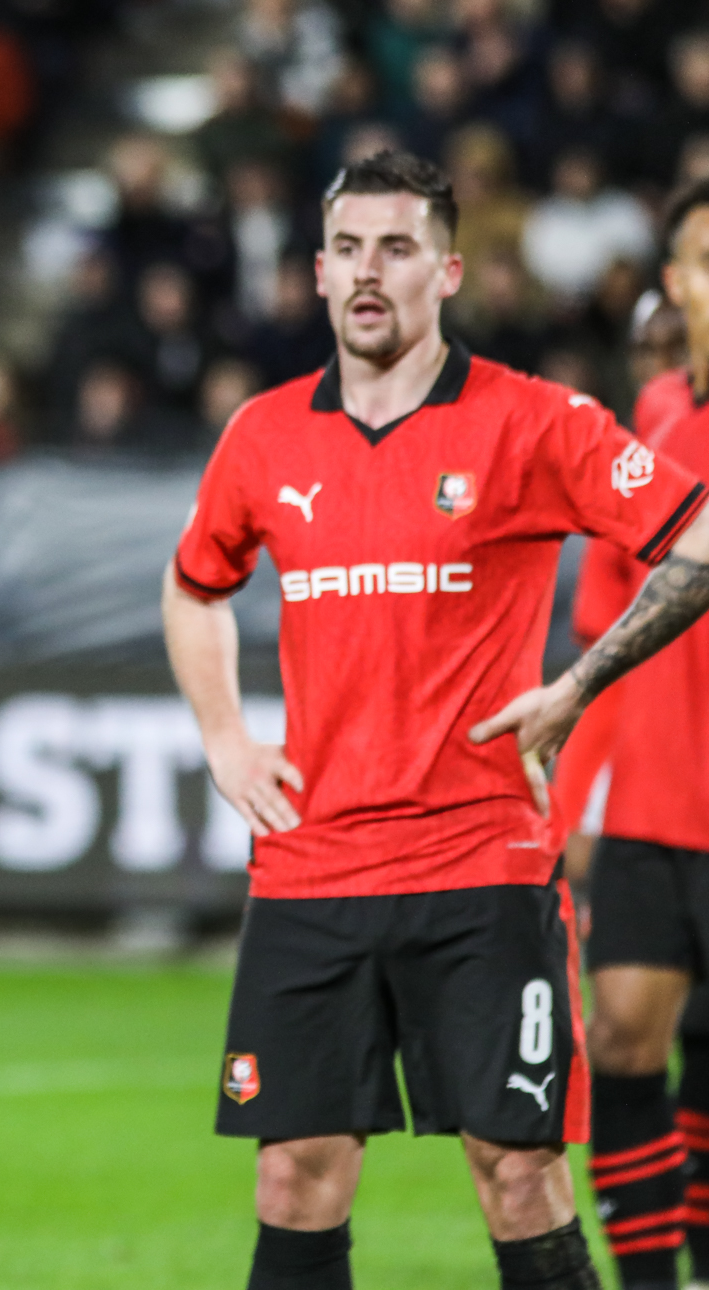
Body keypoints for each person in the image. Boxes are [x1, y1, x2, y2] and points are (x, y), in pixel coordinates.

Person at [163, 149, 709, 1290]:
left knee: (517, 1175)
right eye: (349, 250)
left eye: (398, 249)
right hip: (312, 870)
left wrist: (577, 684)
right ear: (316, 273)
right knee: (295, 1175)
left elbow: (697, 535)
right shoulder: (263, 436)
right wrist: (223, 735)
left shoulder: (532, 421)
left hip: (483, 865)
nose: (371, 273)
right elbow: (194, 582)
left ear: (448, 271)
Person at [570, 179, 709, 1290]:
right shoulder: (653, 423)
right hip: (657, 800)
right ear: (676, 279)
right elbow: (604, 632)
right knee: (621, 1038)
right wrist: (571, 803)